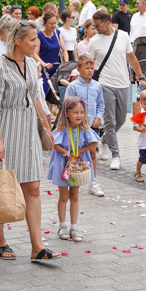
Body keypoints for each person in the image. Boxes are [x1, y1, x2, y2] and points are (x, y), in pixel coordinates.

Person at [0, 20, 59, 262]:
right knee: (1, 184)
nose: (36, 43)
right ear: (18, 40)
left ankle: (37, 246)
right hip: (5, 129)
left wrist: (47, 125)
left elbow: (36, 98)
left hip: (28, 129)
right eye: (32, 39)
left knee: (33, 188)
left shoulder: (32, 63)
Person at [89, 9, 146, 171]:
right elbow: (88, 62)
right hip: (104, 84)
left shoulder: (123, 36)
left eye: (98, 25)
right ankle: (116, 155)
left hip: (123, 83)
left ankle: (104, 140)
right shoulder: (94, 41)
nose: (96, 28)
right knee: (110, 121)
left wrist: (140, 77)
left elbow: (131, 57)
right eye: (94, 25)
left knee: (120, 120)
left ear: (108, 23)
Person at [48, 96, 98, 242]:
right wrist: (65, 153)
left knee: (74, 196)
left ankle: (74, 226)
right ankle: (62, 225)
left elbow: (93, 143)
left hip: (77, 166)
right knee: (63, 196)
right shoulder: (62, 129)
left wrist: (79, 153)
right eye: (76, 112)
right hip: (63, 165)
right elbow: (54, 144)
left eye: (82, 112)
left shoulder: (84, 129)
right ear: (67, 113)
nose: (79, 116)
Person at [64, 54, 105, 197]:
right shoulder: (73, 86)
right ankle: (73, 176)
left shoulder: (97, 86)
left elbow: (101, 104)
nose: (89, 71)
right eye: (86, 68)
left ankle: (92, 182)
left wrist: (98, 117)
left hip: (91, 125)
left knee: (92, 152)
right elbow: (67, 105)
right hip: (77, 126)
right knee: (75, 152)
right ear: (79, 69)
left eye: (91, 68)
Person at [35, 12, 66, 101]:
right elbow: (35, 54)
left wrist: (65, 64)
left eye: (55, 23)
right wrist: (43, 64)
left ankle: (51, 113)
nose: (53, 25)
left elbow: (64, 50)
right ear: (44, 24)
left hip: (56, 68)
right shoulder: (40, 35)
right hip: (44, 69)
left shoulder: (57, 33)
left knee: (56, 96)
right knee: (44, 94)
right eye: (51, 23)